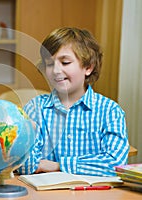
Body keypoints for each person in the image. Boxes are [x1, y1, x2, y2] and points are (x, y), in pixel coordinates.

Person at [18, 27, 129, 177]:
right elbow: (24, 165)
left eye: (65, 62)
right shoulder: (35, 108)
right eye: (50, 64)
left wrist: (58, 165)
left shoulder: (110, 111)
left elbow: (116, 164)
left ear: (88, 67)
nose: (56, 70)